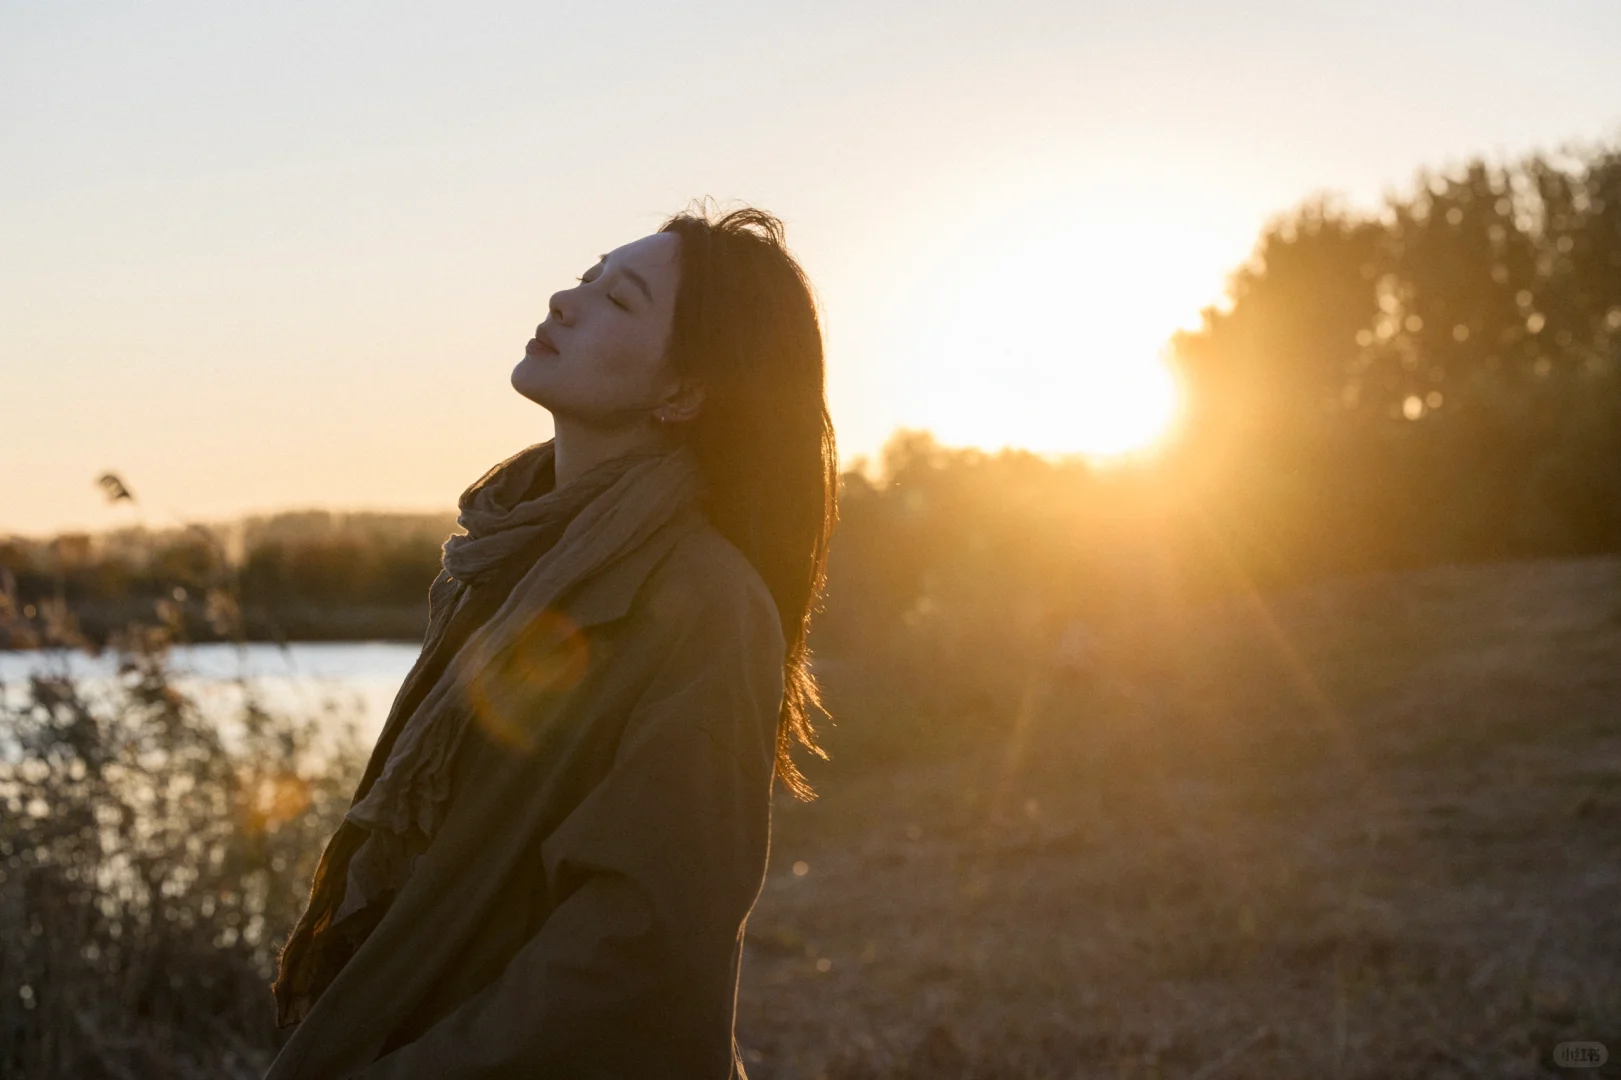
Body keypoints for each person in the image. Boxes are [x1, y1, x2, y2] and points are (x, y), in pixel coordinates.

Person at [264, 203, 838, 1079]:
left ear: (681, 393)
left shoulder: (708, 604)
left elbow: (639, 944)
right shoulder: (498, 562)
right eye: (589, 273)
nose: (567, 299)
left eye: (622, 299)